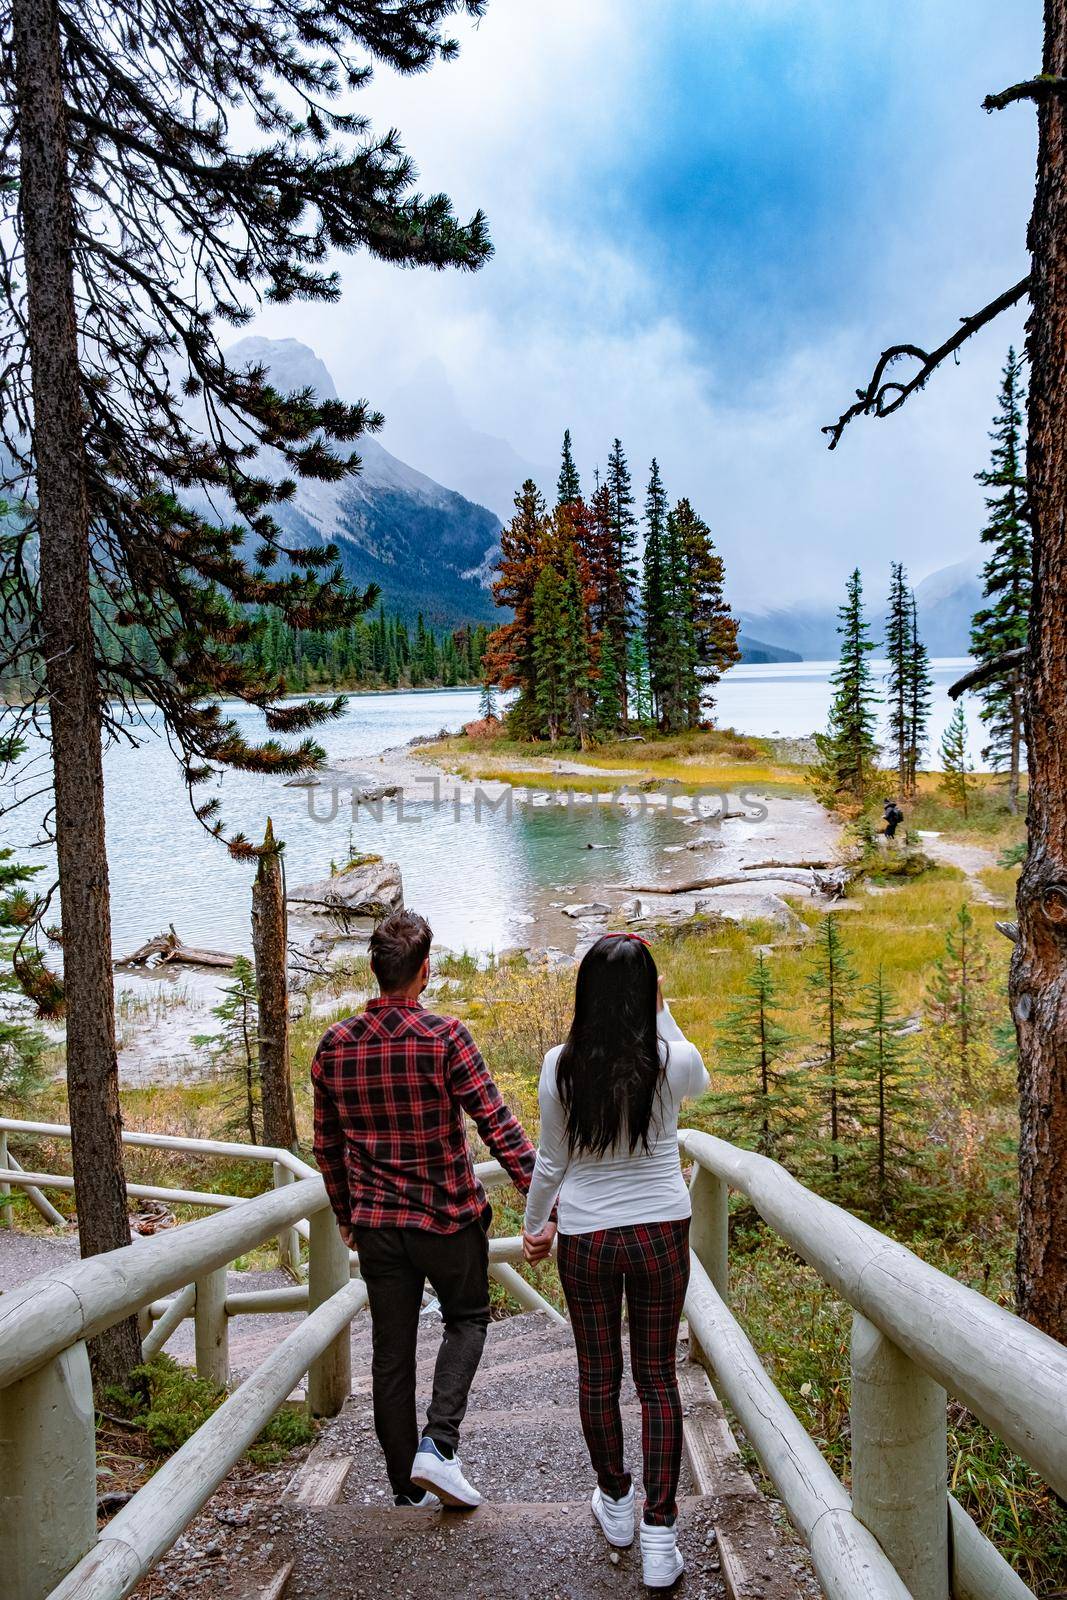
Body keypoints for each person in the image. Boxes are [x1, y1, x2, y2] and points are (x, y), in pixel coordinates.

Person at [312, 909, 539, 1511]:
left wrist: (346, 1212)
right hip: (448, 1218)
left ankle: (403, 1491)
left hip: (380, 1227)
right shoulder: (446, 1036)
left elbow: (326, 1145)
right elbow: (496, 1123)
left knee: (392, 1354)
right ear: (424, 972)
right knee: (467, 1317)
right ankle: (437, 1448)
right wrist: (541, 1198)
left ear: (374, 969)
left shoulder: (334, 1046)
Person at [522, 932, 708, 1591]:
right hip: (661, 1230)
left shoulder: (559, 1065)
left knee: (598, 1375)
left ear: (585, 994)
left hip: (588, 1237)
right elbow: (701, 1077)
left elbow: (549, 1162)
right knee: (657, 1380)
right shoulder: (671, 1060)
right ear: (647, 994)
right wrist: (660, 1009)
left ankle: (617, 1502)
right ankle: (660, 1535)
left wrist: (534, 1224)